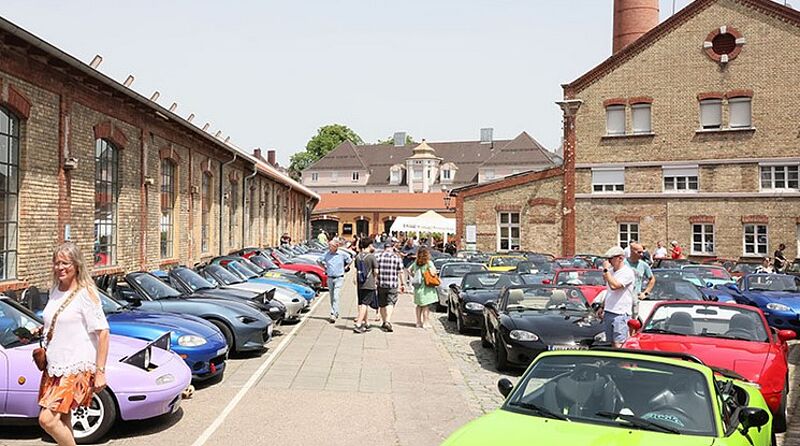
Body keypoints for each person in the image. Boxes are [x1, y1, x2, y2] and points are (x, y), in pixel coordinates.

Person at [38, 242, 110, 446]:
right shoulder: (55, 290)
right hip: (54, 366)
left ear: (77, 265)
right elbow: (58, 321)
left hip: (76, 367)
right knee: (64, 419)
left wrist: (100, 371)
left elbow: (103, 333)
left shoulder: (85, 293)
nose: (60, 267)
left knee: (47, 420)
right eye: (56, 263)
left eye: (65, 263)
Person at [601, 246, 636, 348]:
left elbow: (614, 286)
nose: (609, 261)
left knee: (619, 344)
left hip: (620, 313)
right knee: (611, 343)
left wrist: (606, 271)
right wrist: (602, 306)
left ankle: (622, 364)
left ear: (620, 258)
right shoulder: (611, 272)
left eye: (611, 258)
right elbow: (608, 291)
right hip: (609, 311)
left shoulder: (627, 272)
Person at [318, 240, 351, 323]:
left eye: (331, 246)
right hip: (329, 277)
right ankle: (336, 311)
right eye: (329, 246)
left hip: (339, 277)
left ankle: (333, 313)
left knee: (336, 296)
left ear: (336, 246)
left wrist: (346, 267)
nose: (330, 248)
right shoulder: (327, 254)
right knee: (332, 296)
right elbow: (318, 260)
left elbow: (350, 260)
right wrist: (324, 268)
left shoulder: (341, 254)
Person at [376, 240, 405, 332]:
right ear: (392, 248)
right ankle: (387, 321)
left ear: (384, 248)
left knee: (382, 303)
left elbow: (375, 271)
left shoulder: (378, 257)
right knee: (391, 302)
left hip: (381, 284)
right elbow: (401, 272)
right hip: (392, 284)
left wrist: (375, 280)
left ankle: (384, 321)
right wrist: (403, 283)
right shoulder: (397, 258)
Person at [408, 248, 439, 328]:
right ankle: (425, 322)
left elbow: (408, 270)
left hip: (418, 287)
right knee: (425, 306)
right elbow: (433, 273)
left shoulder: (416, 263)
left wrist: (414, 276)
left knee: (418, 305)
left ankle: (418, 322)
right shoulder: (429, 263)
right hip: (426, 287)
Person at [353, 238, 378, 333]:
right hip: (369, 283)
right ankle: (359, 324)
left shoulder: (358, 257)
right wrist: (375, 280)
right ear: (369, 245)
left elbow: (356, 269)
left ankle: (366, 323)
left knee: (362, 302)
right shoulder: (371, 257)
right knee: (365, 304)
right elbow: (376, 271)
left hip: (360, 283)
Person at [626, 242, 655, 320]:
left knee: (633, 322)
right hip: (623, 298)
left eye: (642, 252)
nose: (642, 254)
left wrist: (645, 293)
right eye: (639, 252)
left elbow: (652, 279)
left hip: (635, 298)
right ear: (632, 251)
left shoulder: (643, 265)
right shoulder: (623, 263)